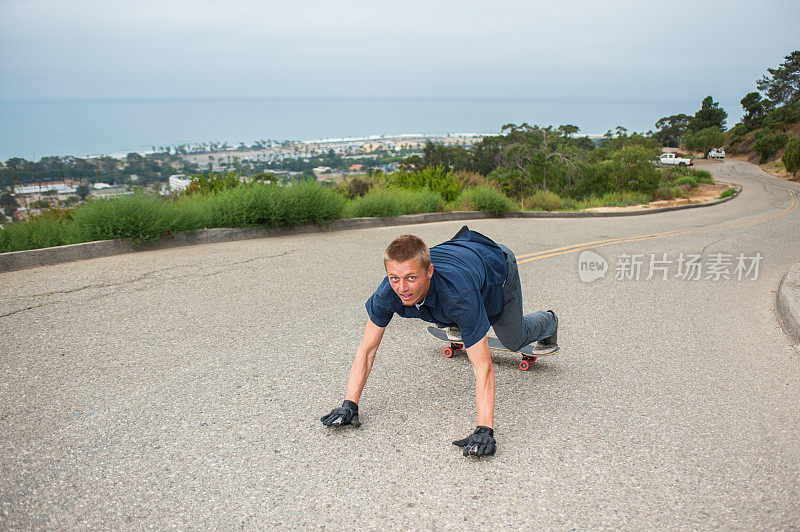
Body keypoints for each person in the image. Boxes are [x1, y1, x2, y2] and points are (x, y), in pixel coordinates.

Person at [320, 225, 558, 458]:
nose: (402, 288)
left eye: (411, 278)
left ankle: (549, 322)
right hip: (462, 261)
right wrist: (349, 403)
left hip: (496, 265)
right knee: (442, 306)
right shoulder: (389, 292)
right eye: (394, 278)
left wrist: (485, 429)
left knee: (512, 340)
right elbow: (367, 350)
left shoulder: (459, 297)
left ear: (429, 271)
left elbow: (483, 367)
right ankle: (458, 323)